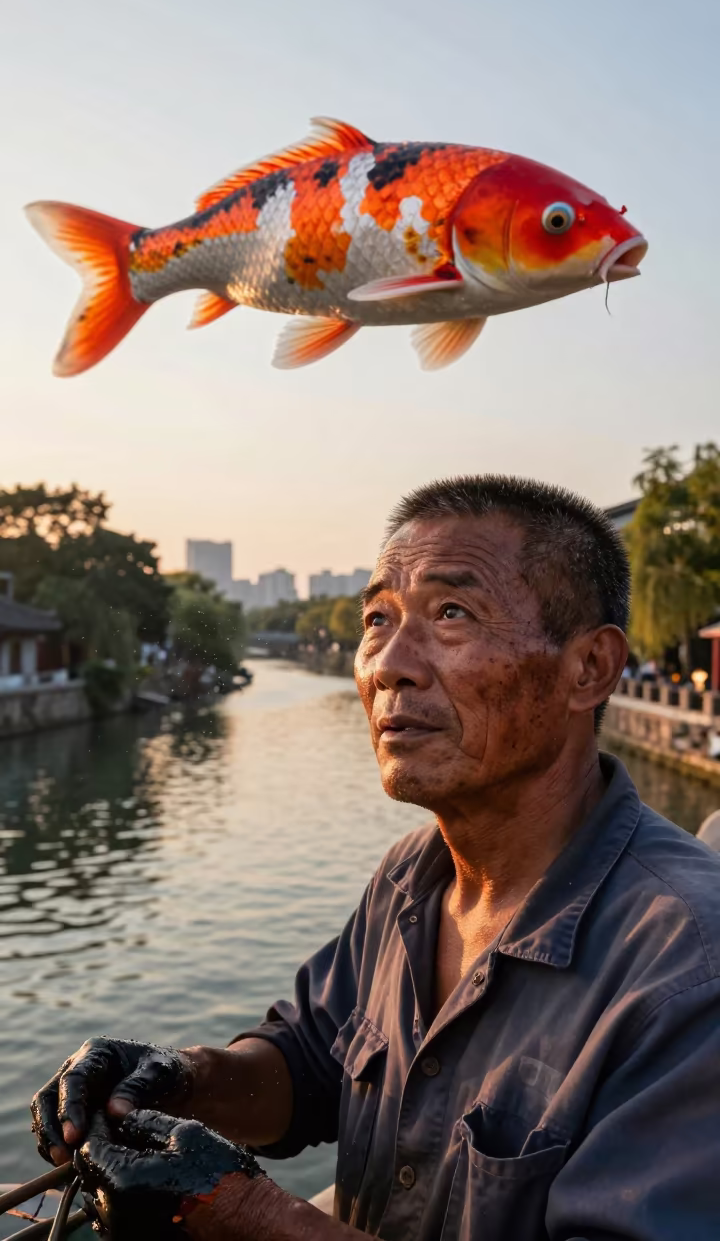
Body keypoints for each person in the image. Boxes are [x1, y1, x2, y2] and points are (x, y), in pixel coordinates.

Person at [31, 476, 720, 1241]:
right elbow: (305, 1064)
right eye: (376, 619)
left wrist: (243, 1214)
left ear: (587, 668)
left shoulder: (688, 963)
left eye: (451, 613)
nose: (388, 663)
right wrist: (179, 1081)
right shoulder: (411, 878)